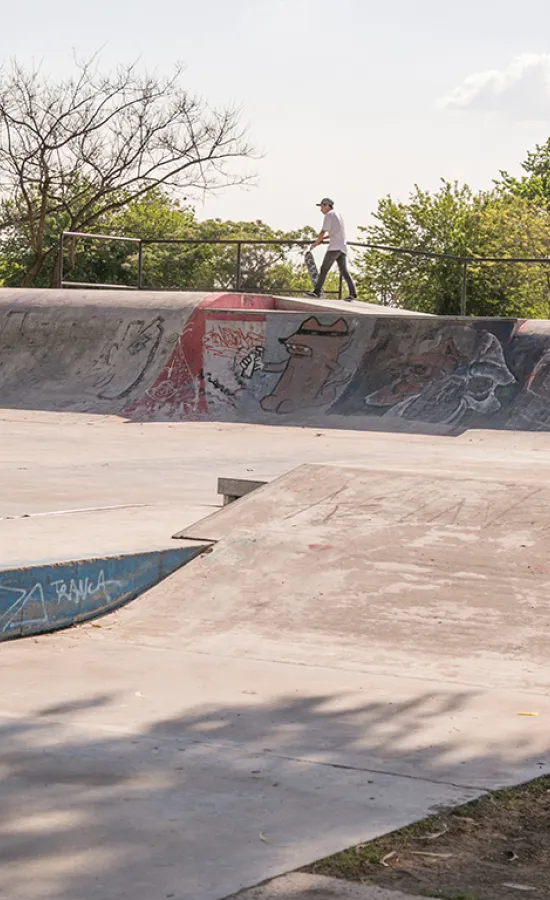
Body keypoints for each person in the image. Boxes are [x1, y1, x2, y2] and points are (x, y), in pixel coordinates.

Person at [308, 198, 357, 301]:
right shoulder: (337, 215)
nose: (321, 209)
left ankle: (317, 292)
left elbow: (323, 231)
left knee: (324, 269)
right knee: (344, 271)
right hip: (342, 247)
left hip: (334, 247)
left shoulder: (328, 215)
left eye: (322, 206)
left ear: (327, 206)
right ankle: (353, 293)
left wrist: (316, 243)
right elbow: (333, 233)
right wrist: (322, 240)